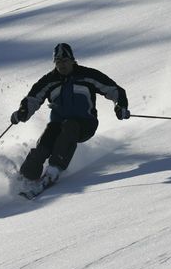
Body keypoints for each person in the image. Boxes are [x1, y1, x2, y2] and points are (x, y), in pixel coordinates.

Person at [11, 43, 130, 188]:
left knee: (70, 126)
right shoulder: (50, 80)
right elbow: (33, 98)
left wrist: (120, 106)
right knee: (47, 139)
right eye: (58, 62)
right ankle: (25, 177)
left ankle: (54, 169)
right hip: (59, 123)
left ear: (73, 60)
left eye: (65, 61)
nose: (62, 65)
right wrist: (22, 112)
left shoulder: (87, 76)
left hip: (85, 123)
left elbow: (114, 90)